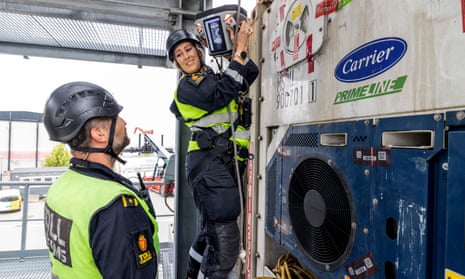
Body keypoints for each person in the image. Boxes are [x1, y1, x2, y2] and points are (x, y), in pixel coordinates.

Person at [166, 20, 259, 279]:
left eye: (188, 49)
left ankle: (191, 274)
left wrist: (233, 53)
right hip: (210, 165)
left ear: (199, 49)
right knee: (225, 242)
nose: (186, 57)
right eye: (179, 54)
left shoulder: (210, 78)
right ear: (176, 62)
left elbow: (248, 74)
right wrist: (239, 48)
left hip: (217, 164)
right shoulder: (189, 86)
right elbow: (221, 93)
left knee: (211, 232)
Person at [42, 81, 159, 279]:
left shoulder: (59, 188)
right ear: (99, 134)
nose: (123, 122)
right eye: (116, 116)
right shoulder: (115, 206)